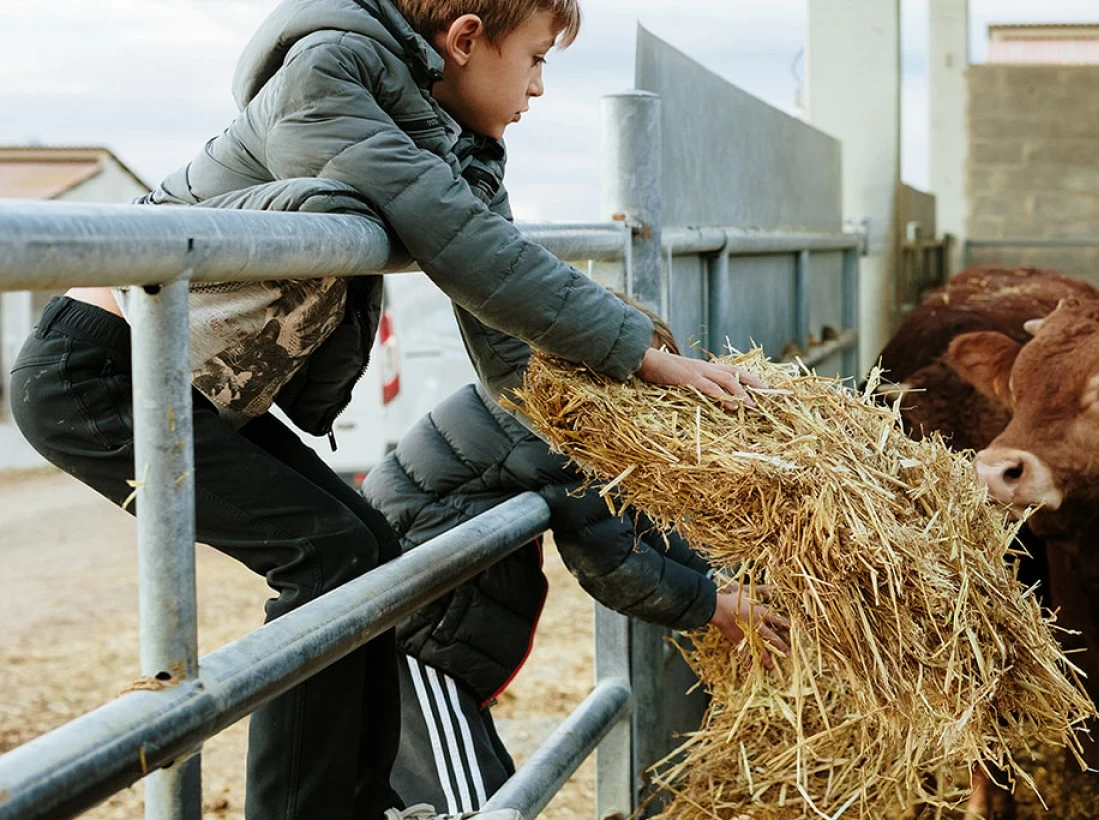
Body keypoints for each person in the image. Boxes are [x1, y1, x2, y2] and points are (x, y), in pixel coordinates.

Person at [8, 0, 760, 816]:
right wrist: (641, 352)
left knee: (369, 548)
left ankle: (360, 800)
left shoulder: (437, 128)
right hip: (101, 370)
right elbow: (466, 244)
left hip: (188, 377)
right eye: (537, 58)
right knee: (326, 555)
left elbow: (496, 321)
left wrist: (609, 425)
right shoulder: (327, 73)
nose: (540, 87)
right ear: (467, 39)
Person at [361, 307, 787, 814]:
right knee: (471, 806)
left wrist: (715, 583)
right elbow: (614, 563)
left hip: (425, 624)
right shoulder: (557, 428)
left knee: (489, 790)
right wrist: (713, 606)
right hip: (410, 632)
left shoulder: (539, 399)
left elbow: (632, 525)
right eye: (650, 381)